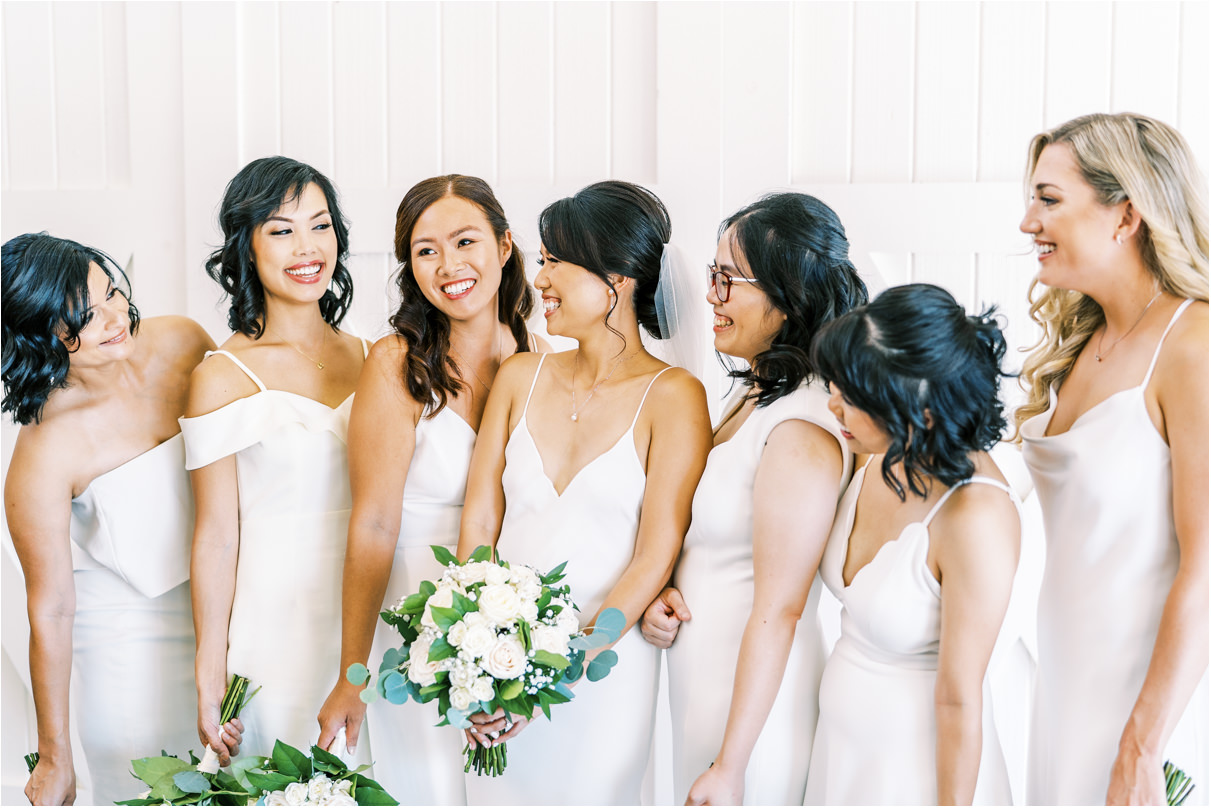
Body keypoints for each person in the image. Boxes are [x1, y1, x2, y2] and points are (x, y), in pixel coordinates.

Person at [455, 180, 712, 805]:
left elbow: (655, 556)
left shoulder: (675, 397)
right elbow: (480, 522)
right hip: (498, 664)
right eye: (541, 260)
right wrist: (474, 652)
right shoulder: (520, 375)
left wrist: (553, 675)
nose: (538, 279)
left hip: (602, 672)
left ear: (616, 281)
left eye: (554, 261)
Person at [317, 175, 547, 805]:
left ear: (503, 246)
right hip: (412, 625)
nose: (449, 266)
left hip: (511, 633)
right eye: (425, 250)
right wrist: (353, 673)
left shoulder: (544, 358)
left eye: (465, 241)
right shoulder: (397, 363)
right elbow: (373, 525)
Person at [639, 192, 867, 805]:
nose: (709, 296)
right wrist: (665, 589)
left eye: (727, 280)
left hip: (753, 712)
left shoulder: (801, 427)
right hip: (705, 680)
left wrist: (733, 764)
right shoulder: (752, 398)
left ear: (789, 294)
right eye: (713, 276)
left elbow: (782, 607)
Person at [1016, 112, 1208, 805]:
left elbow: (1207, 567)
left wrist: (1141, 748)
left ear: (1124, 215)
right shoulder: (1083, 340)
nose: (1026, 222)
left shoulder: (1192, 344)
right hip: (1058, 692)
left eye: (1047, 199)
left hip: (1144, 709)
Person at [2, 233, 217, 805]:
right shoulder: (45, 452)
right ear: (38, 333)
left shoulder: (182, 341)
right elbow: (50, 607)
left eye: (112, 294)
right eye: (84, 317)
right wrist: (55, 756)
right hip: (127, 647)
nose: (114, 320)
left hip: (219, 620)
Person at [181, 157, 370, 767]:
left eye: (320, 226)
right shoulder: (221, 377)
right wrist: (209, 665)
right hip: (276, 627)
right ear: (247, 247)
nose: (306, 248)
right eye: (281, 230)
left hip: (372, 620)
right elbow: (214, 534)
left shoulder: (380, 357)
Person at [803, 283, 1020, 805]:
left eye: (853, 397)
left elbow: (958, 700)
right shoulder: (877, 452)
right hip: (839, 757)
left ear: (918, 408)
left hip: (916, 774)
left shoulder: (976, 516)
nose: (833, 404)